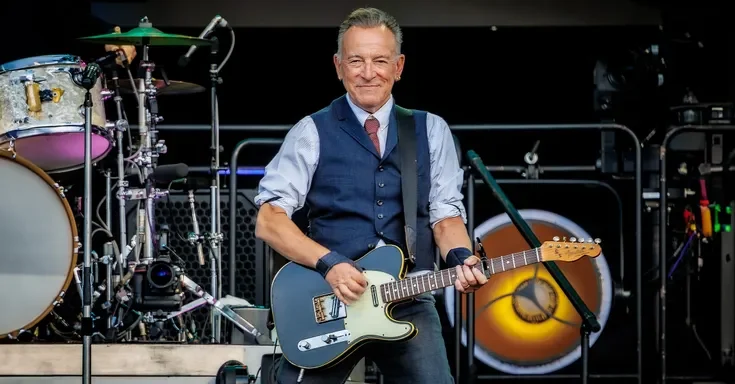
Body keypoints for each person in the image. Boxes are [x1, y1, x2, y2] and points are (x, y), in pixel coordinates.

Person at [254, 7, 488, 384]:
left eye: (380, 61)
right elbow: (269, 220)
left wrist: (461, 258)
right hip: (331, 297)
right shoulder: (310, 131)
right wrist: (328, 263)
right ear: (338, 66)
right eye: (356, 61)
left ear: (399, 66)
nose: (368, 72)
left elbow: (445, 215)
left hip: (408, 297)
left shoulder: (430, 129)